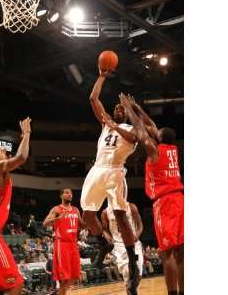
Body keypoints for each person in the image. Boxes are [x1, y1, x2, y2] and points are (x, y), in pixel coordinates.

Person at [80, 67, 142, 295]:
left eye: (120, 108)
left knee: (120, 216)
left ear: (125, 114)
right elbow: (93, 98)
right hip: (97, 169)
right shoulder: (105, 123)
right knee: (87, 214)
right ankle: (103, 243)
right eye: (115, 107)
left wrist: (117, 124)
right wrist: (102, 76)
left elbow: (136, 138)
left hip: (116, 172)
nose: (117, 110)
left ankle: (133, 264)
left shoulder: (128, 128)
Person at [118, 94, 184, 295]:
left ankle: (172, 292)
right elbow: (150, 124)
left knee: (167, 253)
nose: (152, 131)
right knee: (181, 252)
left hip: (165, 203)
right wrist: (138, 107)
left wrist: (128, 109)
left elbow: (140, 129)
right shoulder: (172, 149)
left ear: (159, 138)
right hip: (180, 200)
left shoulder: (155, 151)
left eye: (156, 133)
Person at [0, 117, 32, 295]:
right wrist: (26, 134)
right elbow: (22, 157)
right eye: (1, 150)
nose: (4, 151)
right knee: (15, 284)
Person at [43, 188, 86, 295]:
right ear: (61, 196)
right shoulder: (56, 209)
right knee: (64, 279)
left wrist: (91, 218)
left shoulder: (76, 210)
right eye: (67, 193)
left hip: (73, 245)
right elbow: (45, 223)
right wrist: (57, 219)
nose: (70, 195)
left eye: (71, 193)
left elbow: (82, 225)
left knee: (74, 279)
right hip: (62, 244)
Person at [101, 201, 144, 286]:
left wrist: (137, 235)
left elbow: (140, 225)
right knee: (128, 274)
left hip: (134, 244)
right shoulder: (106, 212)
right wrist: (108, 237)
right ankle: (130, 289)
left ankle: (131, 288)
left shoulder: (131, 207)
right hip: (119, 246)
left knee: (138, 275)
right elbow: (104, 230)